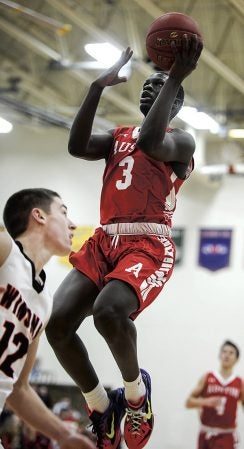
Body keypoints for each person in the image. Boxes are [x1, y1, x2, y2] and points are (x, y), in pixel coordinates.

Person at [46, 34, 203, 449]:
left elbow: (153, 142)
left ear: (176, 103)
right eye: (147, 84)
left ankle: (136, 398)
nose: (151, 85)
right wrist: (96, 87)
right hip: (105, 240)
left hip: (148, 244)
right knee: (59, 325)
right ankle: (101, 405)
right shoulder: (118, 137)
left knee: (108, 312)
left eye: (162, 86)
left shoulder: (182, 141)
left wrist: (176, 76)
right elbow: (77, 145)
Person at [0, 188, 95, 449]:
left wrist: (64, 434)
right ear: (39, 216)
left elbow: (19, 389)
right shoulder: (6, 251)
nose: (73, 224)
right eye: (64, 213)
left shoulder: (44, 302)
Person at [185, 340, 244, 449]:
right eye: (224, 351)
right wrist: (205, 402)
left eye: (231, 353)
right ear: (220, 355)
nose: (227, 355)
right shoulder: (207, 377)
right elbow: (188, 402)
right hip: (206, 434)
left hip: (227, 436)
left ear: (237, 358)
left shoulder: (239, 382)